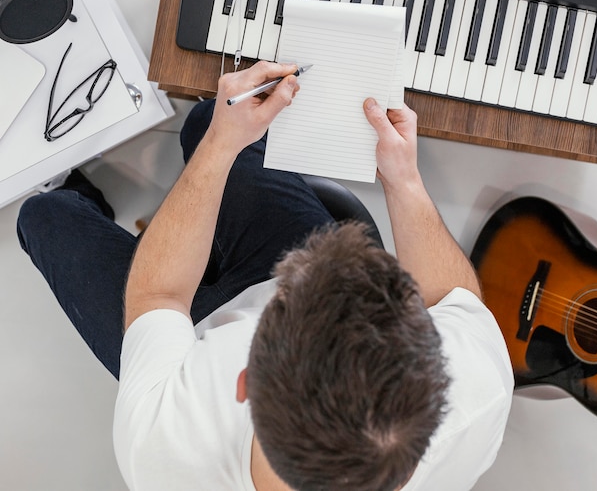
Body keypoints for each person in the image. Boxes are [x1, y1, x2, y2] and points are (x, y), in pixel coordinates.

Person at [17, 60, 513, 490]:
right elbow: (453, 297)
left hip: (178, 322)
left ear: (244, 382)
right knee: (209, 116)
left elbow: (160, 297)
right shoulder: (479, 394)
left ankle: (81, 196)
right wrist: (403, 179)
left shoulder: (162, 450)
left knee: (44, 217)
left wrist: (220, 146)